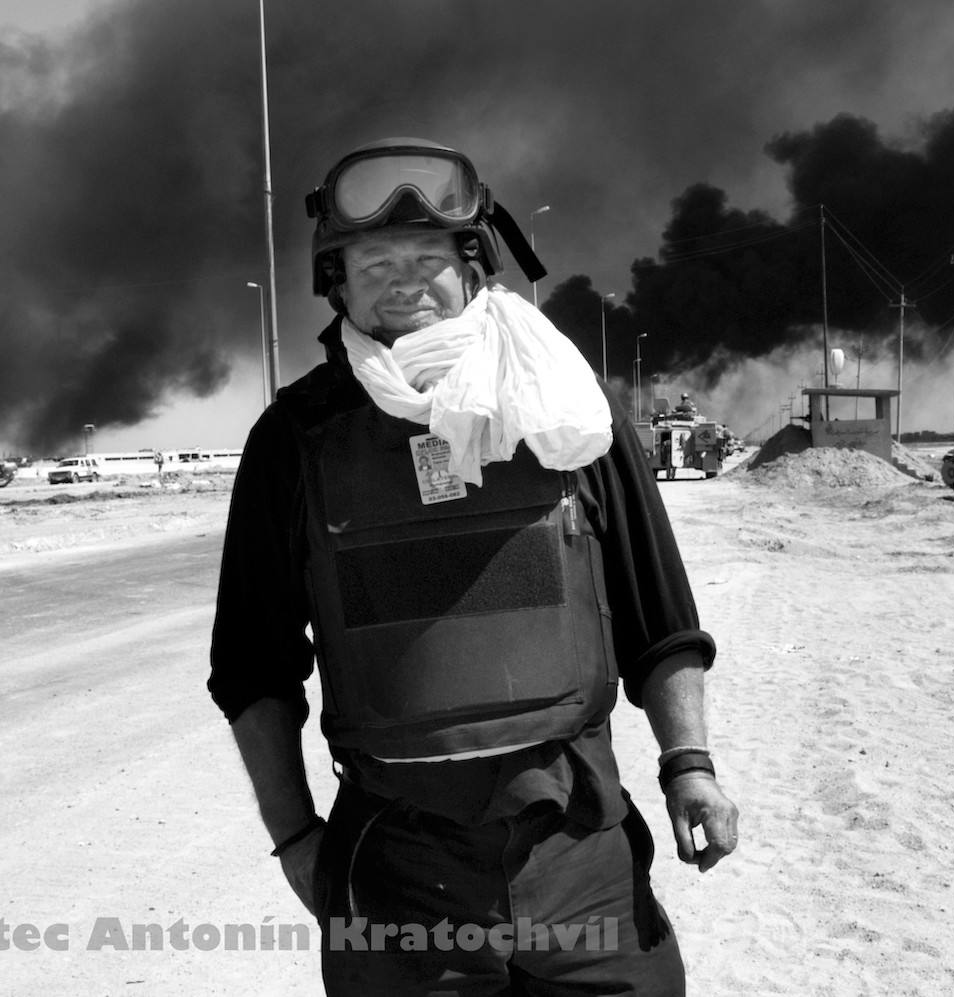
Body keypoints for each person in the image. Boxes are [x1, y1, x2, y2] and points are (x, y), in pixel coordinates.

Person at [209, 138, 738, 996]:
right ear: (336, 281)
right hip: (398, 863)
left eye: (428, 257)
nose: (404, 277)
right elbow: (252, 666)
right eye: (374, 259)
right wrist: (298, 839)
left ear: (473, 270)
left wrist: (689, 763)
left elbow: (660, 615)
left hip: (580, 845)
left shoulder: (568, 412)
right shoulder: (294, 441)